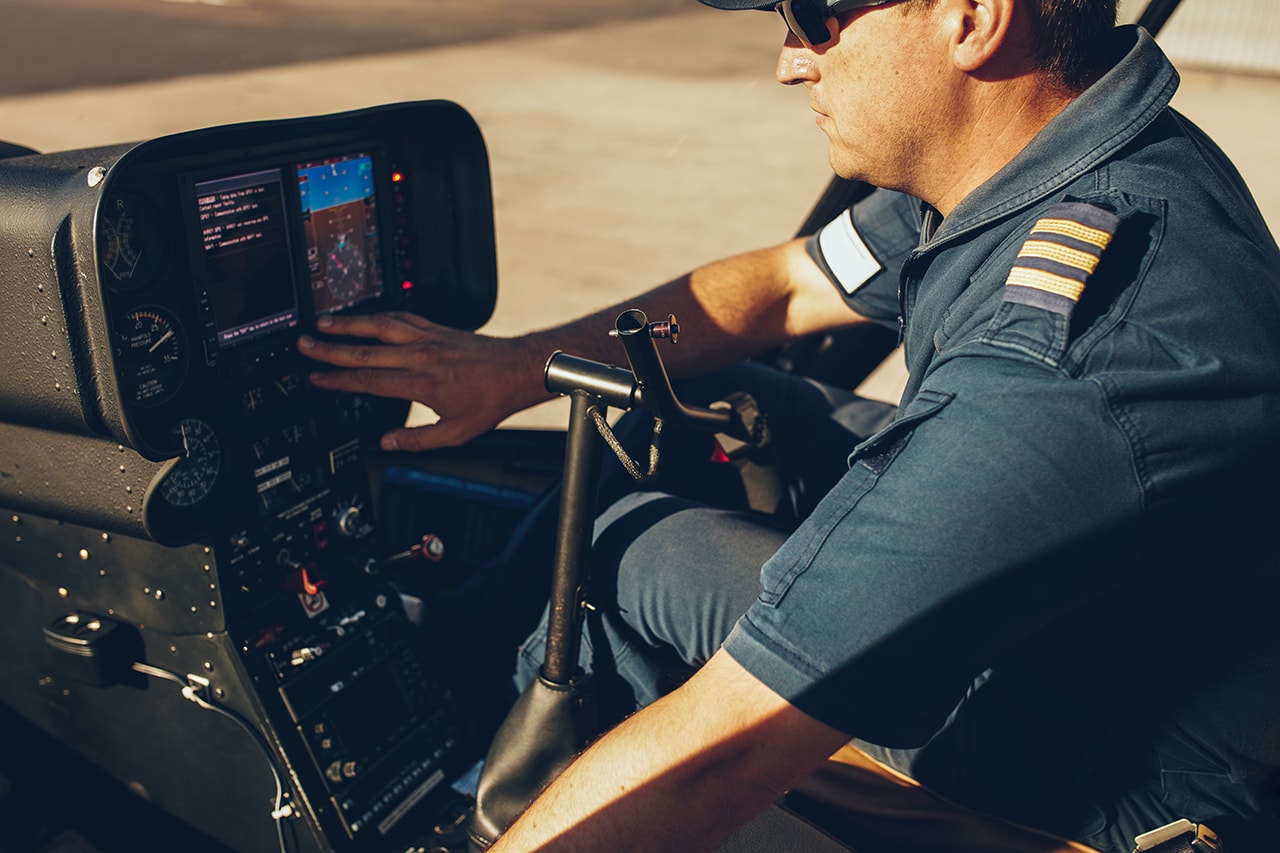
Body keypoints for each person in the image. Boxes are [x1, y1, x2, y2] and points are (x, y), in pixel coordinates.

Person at [297, 0, 1280, 850]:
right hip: (1097, 642)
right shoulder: (1049, 162)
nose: (787, 60)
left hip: (1137, 795)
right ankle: (468, 648)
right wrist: (517, 367)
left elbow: (714, 756)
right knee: (751, 405)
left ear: (971, 18)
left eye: (816, 18)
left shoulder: (1069, 359)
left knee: (631, 551)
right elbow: (780, 287)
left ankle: (473, 786)